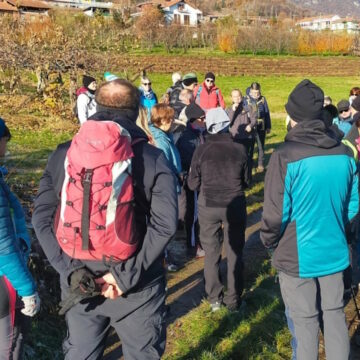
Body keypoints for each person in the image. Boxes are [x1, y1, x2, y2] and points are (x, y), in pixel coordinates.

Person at [32, 79, 178, 359]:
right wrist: (123, 278)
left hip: (79, 284)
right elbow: (166, 224)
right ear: (137, 112)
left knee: (81, 353)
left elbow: (40, 218)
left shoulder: (64, 153)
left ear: (95, 107)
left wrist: (71, 271)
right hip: (136, 286)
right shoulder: (153, 157)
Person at [261, 79, 358, 360]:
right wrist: (343, 230)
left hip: (296, 255)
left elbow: (274, 215)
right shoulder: (345, 154)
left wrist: (269, 243)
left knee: (305, 324)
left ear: (293, 118)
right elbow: (353, 205)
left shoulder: (284, 157)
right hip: (336, 250)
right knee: (335, 316)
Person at [187, 107, 249, 312]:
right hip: (234, 204)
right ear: (226, 125)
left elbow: (192, 183)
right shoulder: (240, 149)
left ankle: (214, 298)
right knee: (234, 251)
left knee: (212, 252)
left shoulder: (201, 150)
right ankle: (234, 299)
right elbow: (246, 180)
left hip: (209, 205)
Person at [0, 118, 40, 360]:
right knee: (9, 348)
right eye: (4, 142)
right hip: (5, 282)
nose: (6, 149)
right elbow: (3, 245)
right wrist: (27, 289)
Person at [149, 104, 182, 272]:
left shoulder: (162, 134)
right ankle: (164, 258)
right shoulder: (160, 140)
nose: (172, 122)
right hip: (167, 186)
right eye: (170, 119)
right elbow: (166, 164)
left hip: (170, 182)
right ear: (161, 120)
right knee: (166, 223)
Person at [176, 102, 207, 257]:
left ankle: (200, 240)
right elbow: (189, 161)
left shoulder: (201, 133)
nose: (205, 120)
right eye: (202, 118)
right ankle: (193, 245)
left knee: (201, 212)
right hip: (192, 181)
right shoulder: (186, 138)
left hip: (202, 180)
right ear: (193, 120)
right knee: (193, 214)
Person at [226, 89, 256, 179]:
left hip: (247, 137)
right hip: (235, 137)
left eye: (238, 96)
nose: (237, 98)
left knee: (247, 158)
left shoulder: (248, 107)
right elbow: (228, 122)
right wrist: (233, 110)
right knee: (236, 159)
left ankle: (248, 178)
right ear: (231, 98)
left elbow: (254, 119)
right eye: (234, 96)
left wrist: (251, 125)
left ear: (242, 96)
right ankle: (237, 177)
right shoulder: (228, 109)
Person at [244, 82, 271, 173]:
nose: (256, 94)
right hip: (250, 127)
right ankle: (249, 164)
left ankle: (260, 164)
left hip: (261, 126)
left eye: (258, 92)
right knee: (250, 147)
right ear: (251, 91)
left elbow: (267, 113)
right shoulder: (246, 99)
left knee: (260, 146)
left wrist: (268, 126)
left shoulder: (263, 99)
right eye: (254, 92)